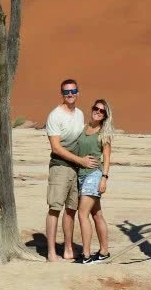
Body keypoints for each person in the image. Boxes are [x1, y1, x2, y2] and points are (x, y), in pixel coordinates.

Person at [44, 79, 98, 262]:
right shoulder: (55, 115)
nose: (70, 94)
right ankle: (51, 252)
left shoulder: (80, 114)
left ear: (78, 92)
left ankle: (68, 248)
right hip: (60, 167)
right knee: (54, 208)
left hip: (77, 168)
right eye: (66, 92)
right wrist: (80, 160)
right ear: (61, 94)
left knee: (71, 210)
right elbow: (56, 148)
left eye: (73, 91)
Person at [76, 98, 113, 264]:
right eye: (96, 108)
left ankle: (86, 255)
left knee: (82, 214)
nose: (98, 112)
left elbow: (107, 157)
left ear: (105, 115)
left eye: (102, 111)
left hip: (94, 175)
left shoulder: (103, 133)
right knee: (97, 214)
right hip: (81, 175)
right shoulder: (85, 128)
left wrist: (104, 179)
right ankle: (104, 251)